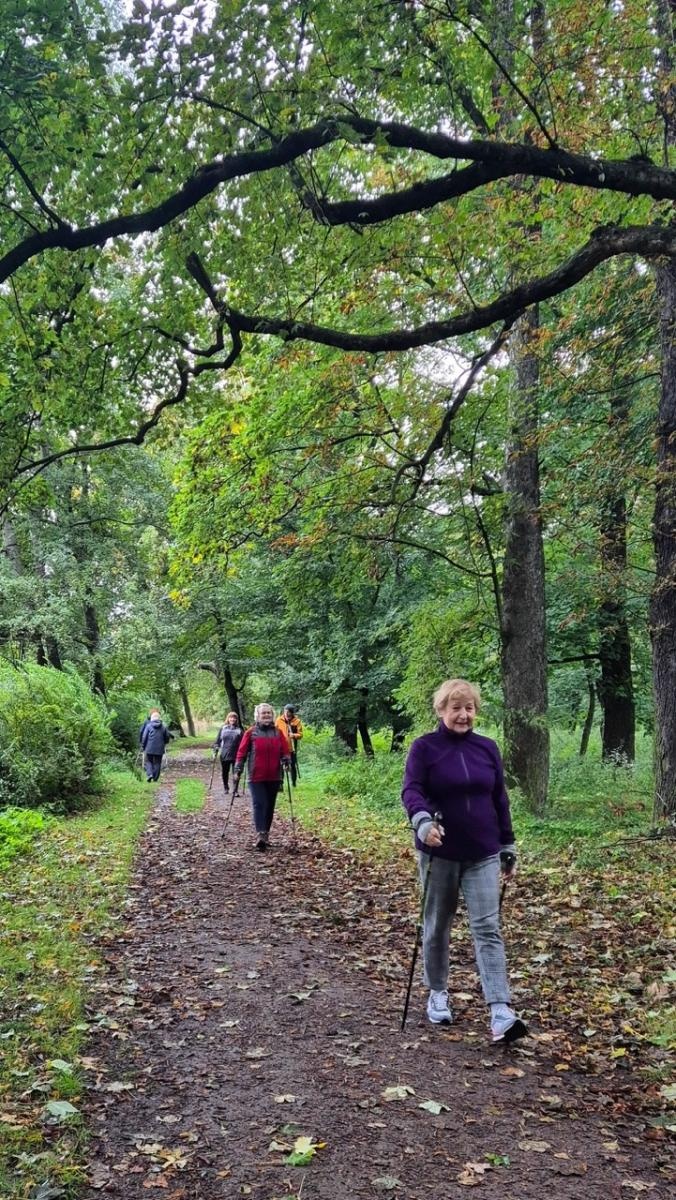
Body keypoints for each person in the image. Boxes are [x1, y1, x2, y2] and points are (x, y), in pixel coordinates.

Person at [401, 678, 527, 1044]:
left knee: (488, 928)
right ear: (441, 710)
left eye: (469, 707)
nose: (463, 714)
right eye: (456, 707)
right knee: (438, 924)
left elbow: (498, 798)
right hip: (439, 851)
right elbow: (412, 790)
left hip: (483, 852)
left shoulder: (487, 749)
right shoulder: (425, 748)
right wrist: (422, 822)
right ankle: (438, 992)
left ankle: (500, 1010)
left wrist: (508, 843)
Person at [234, 703, 291, 850]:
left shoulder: (278, 733)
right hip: (256, 776)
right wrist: (238, 768)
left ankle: (265, 834)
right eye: (263, 713)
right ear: (257, 716)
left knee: (270, 806)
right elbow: (241, 752)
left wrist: (286, 760)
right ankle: (260, 834)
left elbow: (285, 751)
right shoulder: (251, 733)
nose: (266, 715)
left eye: (268, 713)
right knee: (260, 803)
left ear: (272, 715)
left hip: (274, 775)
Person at [213, 712, 243, 793]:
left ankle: (235, 790)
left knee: (236, 772)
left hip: (236, 754)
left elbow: (243, 743)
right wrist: (216, 747)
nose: (232, 719)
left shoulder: (239, 730)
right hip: (224, 754)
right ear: (228, 719)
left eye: (234, 718)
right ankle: (226, 787)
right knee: (225, 772)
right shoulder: (223, 728)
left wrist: (245, 752)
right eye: (231, 717)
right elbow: (218, 740)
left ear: (237, 720)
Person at [141, 709, 172, 783]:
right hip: (159, 748)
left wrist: (143, 745)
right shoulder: (163, 727)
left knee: (148, 761)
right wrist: (165, 742)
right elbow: (167, 736)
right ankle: (155, 778)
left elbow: (144, 737)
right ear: (159, 718)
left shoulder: (148, 726)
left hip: (149, 748)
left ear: (151, 718)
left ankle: (150, 774)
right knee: (158, 762)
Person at [275, 704, 303, 786]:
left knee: (293, 765)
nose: (286, 713)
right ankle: (280, 784)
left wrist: (293, 735)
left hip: (292, 748)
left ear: (292, 713)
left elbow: (300, 734)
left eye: (288, 712)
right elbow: (274, 731)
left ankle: (293, 782)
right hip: (280, 747)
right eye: (285, 711)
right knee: (280, 765)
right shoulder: (279, 720)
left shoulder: (296, 721)